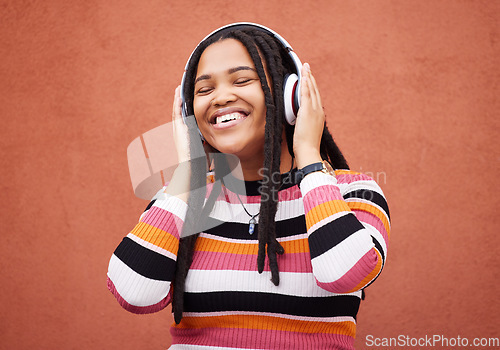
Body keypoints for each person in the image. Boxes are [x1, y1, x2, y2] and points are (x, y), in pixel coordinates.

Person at [107, 23, 390, 350]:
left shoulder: (353, 192)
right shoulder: (181, 198)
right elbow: (134, 293)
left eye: (242, 80)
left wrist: (309, 158)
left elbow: (345, 273)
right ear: (188, 112)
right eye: (203, 90)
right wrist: (189, 175)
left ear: (291, 97)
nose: (221, 97)